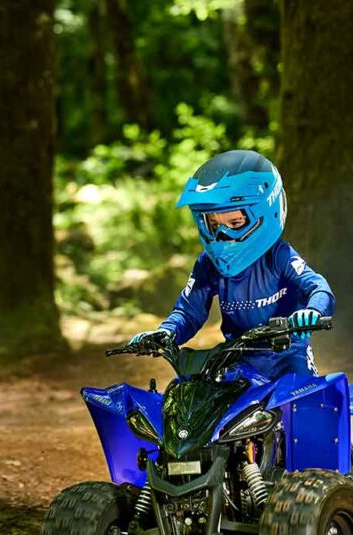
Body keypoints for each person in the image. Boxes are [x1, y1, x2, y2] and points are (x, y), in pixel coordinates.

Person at [128, 150, 334, 378]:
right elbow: (188, 311)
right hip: (236, 358)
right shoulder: (207, 264)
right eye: (213, 224)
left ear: (266, 212)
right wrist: (166, 332)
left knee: (302, 400)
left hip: (287, 355)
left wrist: (313, 311)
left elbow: (317, 286)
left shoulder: (278, 255)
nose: (222, 235)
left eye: (235, 222)